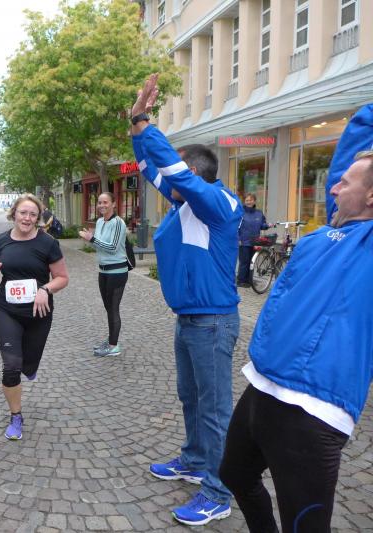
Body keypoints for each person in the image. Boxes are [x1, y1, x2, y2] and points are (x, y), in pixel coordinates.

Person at [219, 102, 373, 533]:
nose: (334, 186)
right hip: (265, 385)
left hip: (312, 408)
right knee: (234, 474)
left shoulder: (366, 247)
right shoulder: (328, 234)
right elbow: (350, 162)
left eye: (344, 182)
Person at [131, 74, 241, 526]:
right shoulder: (185, 205)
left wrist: (146, 121)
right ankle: (195, 461)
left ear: (192, 176)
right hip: (190, 320)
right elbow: (149, 168)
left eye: (179, 173)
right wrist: (135, 127)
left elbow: (170, 169)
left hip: (212, 322)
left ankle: (218, 491)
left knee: (214, 409)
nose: (168, 182)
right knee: (190, 398)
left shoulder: (218, 204)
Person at [0, 193, 69, 440]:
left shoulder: (48, 243)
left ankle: (30, 367)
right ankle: (16, 416)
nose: (27, 218)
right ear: (14, 214)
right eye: (23, 213)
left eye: (32, 214)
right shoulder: (0, 241)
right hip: (7, 310)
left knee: (28, 364)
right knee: (11, 366)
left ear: (38, 218)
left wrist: (45, 289)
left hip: (39, 312)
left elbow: (62, 278)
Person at [78, 192, 129, 357]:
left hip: (117, 272)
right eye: (99, 202)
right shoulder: (100, 222)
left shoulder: (118, 223)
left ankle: (114, 346)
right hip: (103, 271)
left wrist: (92, 239)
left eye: (105, 202)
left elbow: (113, 247)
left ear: (113, 204)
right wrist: (90, 240)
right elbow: (99, 247)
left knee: (113, 309)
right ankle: (111, 340)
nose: (102, 205)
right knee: (108, 308)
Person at [237, 193, 269, 288]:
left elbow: (262, 225)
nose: (249, 202)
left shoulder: (259, 213)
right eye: (247, 200)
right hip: (244, 241)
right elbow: (236, 226)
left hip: (255, 241)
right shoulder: (240, 213)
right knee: (244, 262)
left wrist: (268, 225)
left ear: (254, 201)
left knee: (252, 262)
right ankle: (241, 280)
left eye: (250, 200)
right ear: (244, 202)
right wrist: (238, 238)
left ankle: (249, 280)